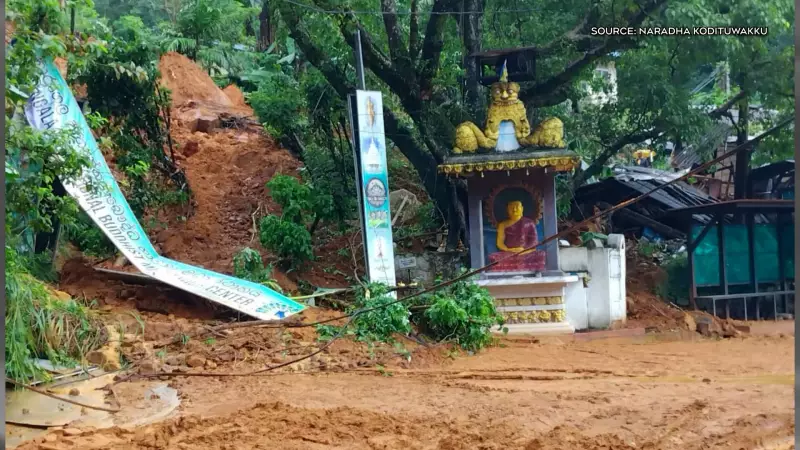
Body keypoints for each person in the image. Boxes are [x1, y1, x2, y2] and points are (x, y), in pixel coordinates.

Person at [489, 200, 546, 272]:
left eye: (517, 207)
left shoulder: (529, 223)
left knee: (541, 255)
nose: (514, 209)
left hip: (526, 252)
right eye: (511, 207)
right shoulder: (503, 225)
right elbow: (499, 243)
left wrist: (523, 250)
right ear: (507, 210)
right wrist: (509, 250)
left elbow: (534, 241)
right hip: (509, 253)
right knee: (494, 257)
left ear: (522, 209)